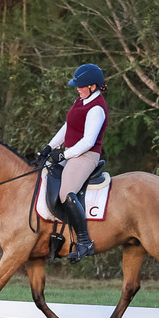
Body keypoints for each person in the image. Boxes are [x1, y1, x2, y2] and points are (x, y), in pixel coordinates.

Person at [37, 63, 108, 263]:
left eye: (81, 85)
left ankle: (84, 242)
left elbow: (88, 141)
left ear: (93, 86)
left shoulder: (97, 109)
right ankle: (55, 234)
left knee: (66, 193)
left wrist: (64, 155)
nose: (77, 88)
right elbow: (68, 126)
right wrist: (50, 147)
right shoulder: (81, 100)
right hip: (72, 153)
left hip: (87, 156)